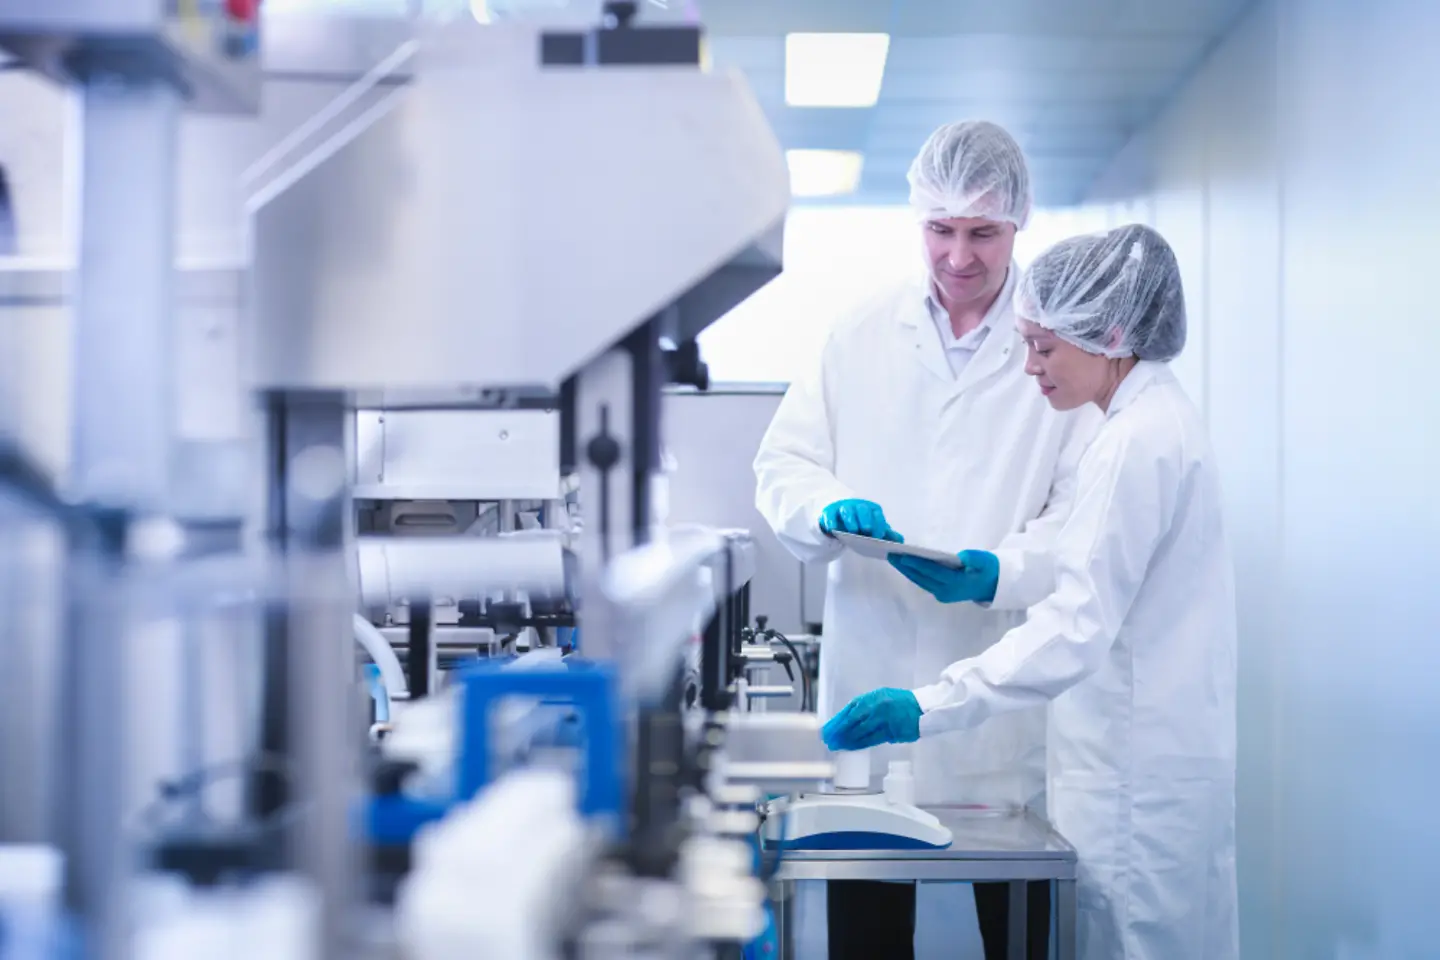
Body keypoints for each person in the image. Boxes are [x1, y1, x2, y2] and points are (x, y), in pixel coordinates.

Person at [822, 224, 1239, 960]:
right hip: (1141, 774)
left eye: (1044, 348)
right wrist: (1002, 572)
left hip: (1131, 790)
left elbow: (1075, 626)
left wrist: (924, 704)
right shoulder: (1151, 422)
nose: (1030, 368)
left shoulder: (1133, 444)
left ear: (1109, 334)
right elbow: (1094, 566)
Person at [752, 120, 1101, 960]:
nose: (958, 256)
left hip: (999, 725)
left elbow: (1085, 517)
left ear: (1019, 223)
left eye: (982, 231)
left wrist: (999, 573)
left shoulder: (1059, 346)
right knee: (867, 939)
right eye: (940, 229)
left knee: (1014, 931)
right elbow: (784, 464)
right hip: (871, 688)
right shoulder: (860, 332)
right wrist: (828, 508)